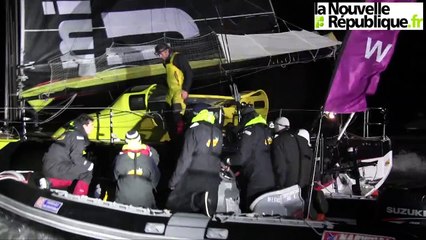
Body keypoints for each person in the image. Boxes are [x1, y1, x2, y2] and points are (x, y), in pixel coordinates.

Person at [166, 107, 223, 216]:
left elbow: (185, 158)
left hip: (194, 175)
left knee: (177, 206)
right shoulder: (218, 132)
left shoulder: (193, 129)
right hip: (213, 178)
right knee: (208, 213)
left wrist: (174, 181)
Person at [230, 104, 275, 211]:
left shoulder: (250, 131)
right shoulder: (267, 130)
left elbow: (242, 157)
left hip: (255, 180)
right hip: (270, 179)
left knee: (251, 211)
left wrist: (227, 160)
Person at [42, 114, 95, 196]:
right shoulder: (78, 137)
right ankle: (79, 197)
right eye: (91, 125)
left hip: (49, 166)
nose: (93, 128)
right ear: (85, 125)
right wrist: (88, 164)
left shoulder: (69, 133)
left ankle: (49, 182)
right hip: (56, 168)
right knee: (87, 171)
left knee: (75, 174)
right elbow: (76, 157)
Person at [154, 42, 193, 140]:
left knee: (177, 114)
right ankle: (172, 135)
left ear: (167, 51)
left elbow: (189, 73)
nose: (160, 56)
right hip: (171, 92)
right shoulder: (166, 62)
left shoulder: (179, 58)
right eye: (158, 54)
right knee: (167, 113)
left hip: (179, 91)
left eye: (160, 54)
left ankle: (181, 136)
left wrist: (185, 90)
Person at [113, 130, 160, 208]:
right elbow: (155, 179)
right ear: (139, 141)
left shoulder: (119, 159)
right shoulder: (150, 159)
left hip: (122, 202)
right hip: (145, 202)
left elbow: (114, 177)